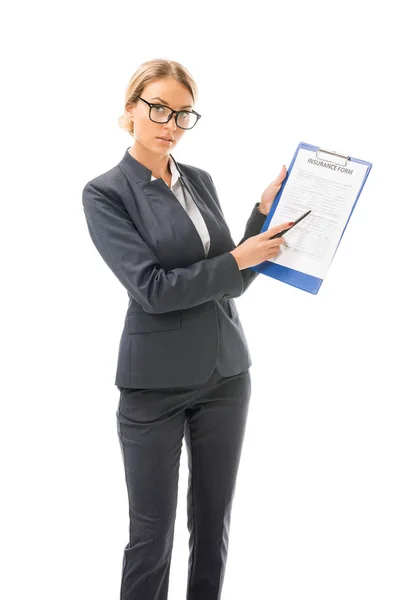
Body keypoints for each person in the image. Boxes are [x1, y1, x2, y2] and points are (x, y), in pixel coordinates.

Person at [82, 58, 292, 600]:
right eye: (157, 108)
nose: (169, 123)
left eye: (182, 113)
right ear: (130, 110)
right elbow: (151, 289)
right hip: (155, 386)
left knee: (213, 525)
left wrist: (260, 218)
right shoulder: (106, 193)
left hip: (227, 374)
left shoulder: (199, 181)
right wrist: (239, 258)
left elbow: (231, 279)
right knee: (151, 537)